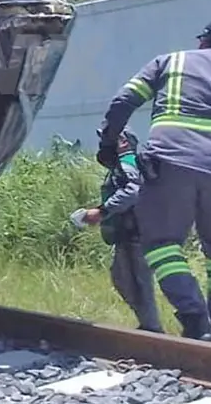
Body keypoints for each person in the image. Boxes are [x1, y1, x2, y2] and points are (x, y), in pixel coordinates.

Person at [97, 18, 211, 344]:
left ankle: (195, 319)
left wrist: (108, 144)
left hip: (170, 164)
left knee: (161, 244)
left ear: (204, 42)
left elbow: (124, 101)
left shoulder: (171, 61)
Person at [72, 128, 163, 333]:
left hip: (137, 234)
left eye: (108, 139)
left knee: (140, 284)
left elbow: (132, 191)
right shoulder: (122, 165)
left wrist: (101, 211)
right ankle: (148, 325)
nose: (104, 144)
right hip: (128, 234)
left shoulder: (127, 162)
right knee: (123, 279)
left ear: (122, 141)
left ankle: (153, 329)